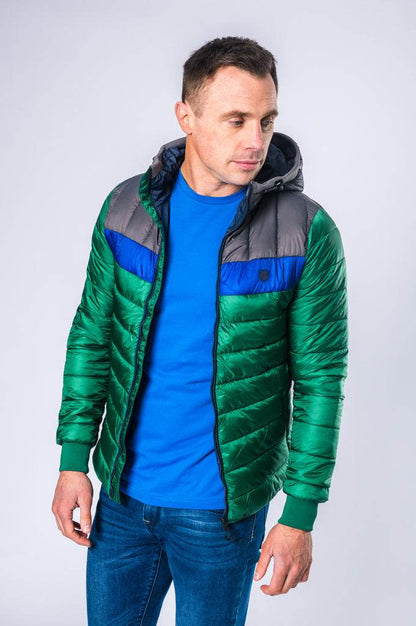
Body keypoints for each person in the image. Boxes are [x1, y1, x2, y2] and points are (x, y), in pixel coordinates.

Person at [52, 36, 348, 625]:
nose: (256, 141)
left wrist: (299, 514)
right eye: (236, 120)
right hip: (121, 496)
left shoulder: (305, 231)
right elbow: (91, 336)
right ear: (185, 116)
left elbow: (321, 380)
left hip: (221, 513)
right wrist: (72, 459)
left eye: (266, 120)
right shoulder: (126, 210)